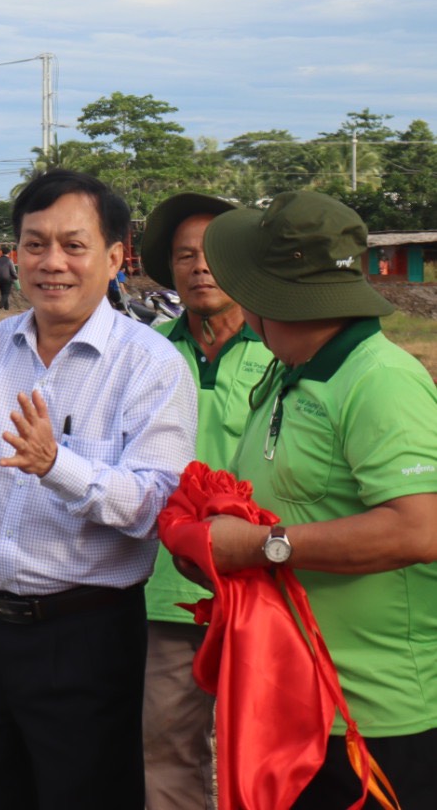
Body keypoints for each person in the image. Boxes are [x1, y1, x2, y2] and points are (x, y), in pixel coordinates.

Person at [0, 168, 196, 808]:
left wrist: (56, 464)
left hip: (87, 638)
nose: (51, 263)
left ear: (116, 257)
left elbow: (157, 507)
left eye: (73, 245)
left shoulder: (150, 365)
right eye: (34, 244)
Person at [199, 191, 437, 809]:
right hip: (295, 701)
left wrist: (257, 548)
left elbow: (419, 529)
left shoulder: (379, 380)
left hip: (377, 717)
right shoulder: (285, 372)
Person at [136, 193, 274, 810]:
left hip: (268, 582)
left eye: (215, 253)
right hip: (172, 591)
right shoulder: (146, 356)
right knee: (165, 745)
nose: (200, 267)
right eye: (185, 255)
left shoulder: (285, 350)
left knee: (272, 750)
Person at [0, 242, 17, 309]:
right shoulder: (9, 261)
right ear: (9, 253)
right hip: (6, 278)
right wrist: (16, 277)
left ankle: (6, 307)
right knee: (6, 293)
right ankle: (0, 306)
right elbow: (13, 271)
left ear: (2, 252)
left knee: (3, 292)